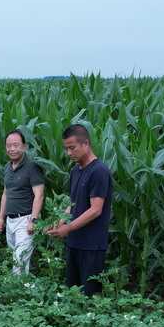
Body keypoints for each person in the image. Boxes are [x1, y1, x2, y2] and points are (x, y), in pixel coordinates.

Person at [46, 124, 112, 296]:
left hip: (91, 245)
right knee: (72, 293)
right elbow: (72, 203)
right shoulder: (75, 171)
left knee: (89, 296)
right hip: (74, 243)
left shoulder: (99, 171)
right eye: (66, 148)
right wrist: (59, 223)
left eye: (72, 148)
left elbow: (96, 210)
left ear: (86, 144)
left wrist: (68, 228)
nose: (69, 153)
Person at [0, 129, 45, 274]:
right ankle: (23, 286)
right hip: (10, 221)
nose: (12, 149)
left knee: (19, 261)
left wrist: (33, 220)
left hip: (26, 220)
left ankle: (17, 288)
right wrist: (1, 218)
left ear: (24, 146)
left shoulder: (32, 167)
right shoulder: (7, 168)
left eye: (16, 145)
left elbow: (39, 195)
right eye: (8, 146)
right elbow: (6, 193)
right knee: (16, 261)